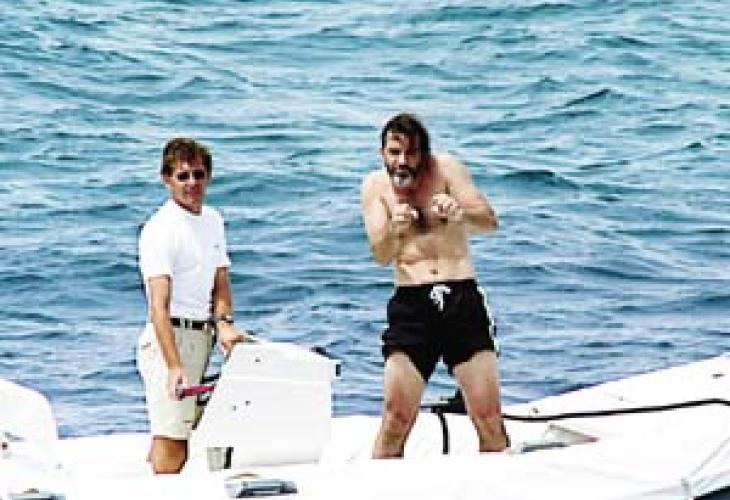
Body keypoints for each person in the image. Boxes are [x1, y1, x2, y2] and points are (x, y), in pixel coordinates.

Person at [361, 113, 509, 458]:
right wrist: (395, 231)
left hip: (460, 297)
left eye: (411, 153)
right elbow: (381, 255)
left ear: (424, 152)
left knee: (488, 419)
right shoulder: (375, 187)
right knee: (396, 419)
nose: (402, 161)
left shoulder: (448, 170)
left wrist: (461, 214)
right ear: (382, 153)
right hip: (412, 304)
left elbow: (489, 222)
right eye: (394, 152)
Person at [136, 137, 250, 474]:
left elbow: (221, 279)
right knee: (173, 440)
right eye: (183, 176)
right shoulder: (160, 230)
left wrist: (224, 323)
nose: (192, 184)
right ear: (167, 179)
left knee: (207, 424)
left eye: (198, 175)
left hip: (205, 337)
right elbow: (158, 307)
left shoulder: (212, 220)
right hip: (171, 339)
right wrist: (174, 366)